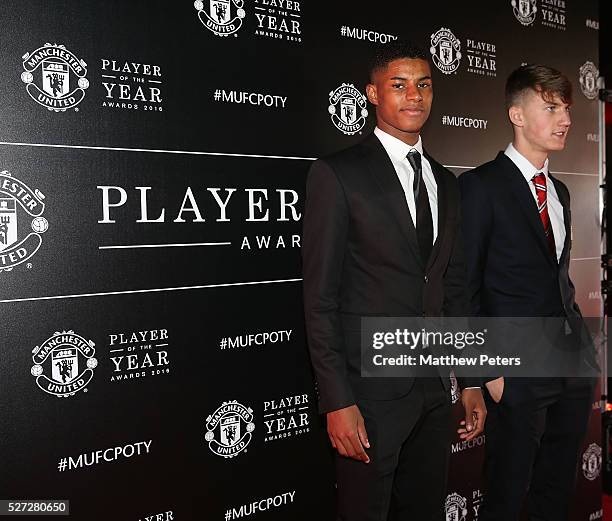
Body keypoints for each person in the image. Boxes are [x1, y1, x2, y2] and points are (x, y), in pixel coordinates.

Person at [302, 40, 486, 521]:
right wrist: (337, 401)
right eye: (398, 85)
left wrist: (468, 380)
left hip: (432, 389)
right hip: (368, 394)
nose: (413, 96)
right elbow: (319, 298)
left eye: (423, 85)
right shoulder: (338, 174)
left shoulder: (445, 182)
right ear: (371, 94)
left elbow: (455, 287)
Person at [460, 64, 598, 521]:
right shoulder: (479, 186)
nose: (565, 120)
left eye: (567, 110)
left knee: (556, 489)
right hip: (515, 372)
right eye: (551, 107)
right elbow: (463, 285)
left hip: (571, 363)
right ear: (516, 115)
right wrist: (484, 372)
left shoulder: (558, 190)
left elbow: (555, 279)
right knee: (504, 491)